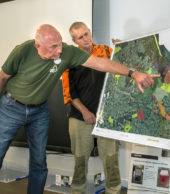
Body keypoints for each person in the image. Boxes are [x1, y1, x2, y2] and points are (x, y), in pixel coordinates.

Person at [0, 24, 158, 194]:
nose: (59, 50)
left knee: (39, 162)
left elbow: (100, 63)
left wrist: (133, 73)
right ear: (37, 45)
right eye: (53, 47)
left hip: (39, 110)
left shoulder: (68, 53)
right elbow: (1, 79)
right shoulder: (22, 51)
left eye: (60, 44)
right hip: (11, 107)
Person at [62, 22, 121, 194]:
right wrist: (85, 111)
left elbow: (123, 68)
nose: (86, 39)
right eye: (81, 37)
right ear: (74, 41)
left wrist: (122, 48)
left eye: (87, 34)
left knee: (111, 160)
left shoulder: (105, 51)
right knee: (80, 162)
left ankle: (114, 190)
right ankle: (78, 191)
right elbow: (69, 93)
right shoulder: (70, 59)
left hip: (106, 116)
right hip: (79, 116)